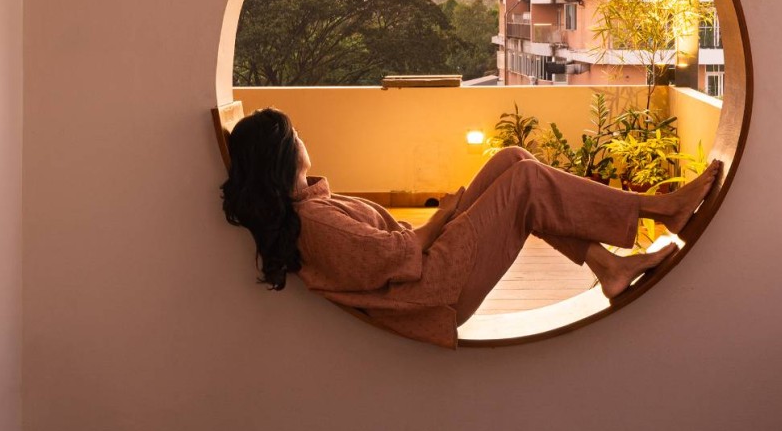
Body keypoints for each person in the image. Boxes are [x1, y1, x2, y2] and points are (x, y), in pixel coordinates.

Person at [220, 107, 722, 348]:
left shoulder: (309, 205)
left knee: (512, 158)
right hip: (432, 289)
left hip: (426, 270)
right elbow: (395, 256)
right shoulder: (314, 222)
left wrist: (450, 216)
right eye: (298, 135)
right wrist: (443, 216)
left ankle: (609, 266)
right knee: (526, 181)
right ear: (285, 154)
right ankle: (659, 210)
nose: (305, 139)